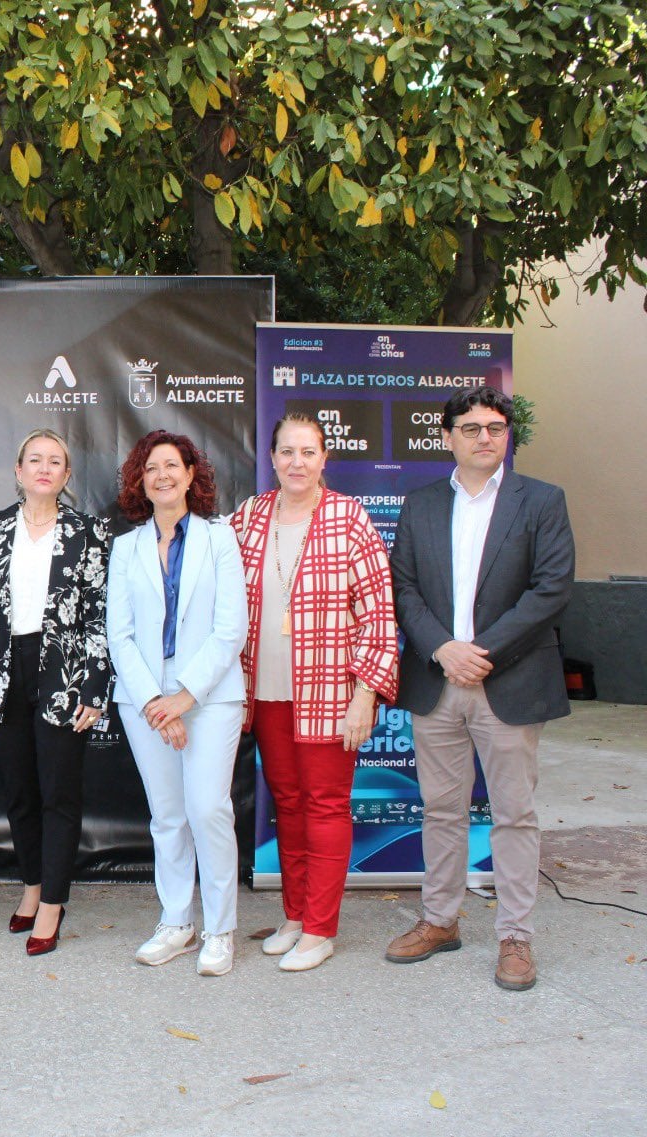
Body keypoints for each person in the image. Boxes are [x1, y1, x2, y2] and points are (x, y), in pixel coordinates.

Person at [386, 386, 573, 991]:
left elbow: (550, 590)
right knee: (441, 809)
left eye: (496, 427)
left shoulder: (541, 501)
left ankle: (515, 936)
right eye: (471, 428)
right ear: (448, 438)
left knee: (514, 814)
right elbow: (404, 589)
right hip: (437, 680)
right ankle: (440, 919)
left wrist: (480, 654)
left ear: (507, 436)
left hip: (508, 680)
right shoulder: (418, 506)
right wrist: (443, 649)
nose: (485, 437)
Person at [230, 412, 398, 972]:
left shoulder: (350, 518)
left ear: (325, 459)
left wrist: (366, 693)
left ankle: (322, 929)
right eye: (286, 452)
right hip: (268, 689)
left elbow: (378, 612)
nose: (296, 462)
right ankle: (296, 917)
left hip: (330, 689)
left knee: (325, 805)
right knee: (290, 805)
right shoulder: (251, 516)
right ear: (272, 458)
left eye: (308, 452)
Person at [0, 428, 110, 957]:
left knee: (58, 794)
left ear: (67, 476)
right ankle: (31, 886)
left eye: (56, 461)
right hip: (3, 671)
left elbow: (99, 615)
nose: (45, 468)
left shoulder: (91, 533)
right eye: (35, 460)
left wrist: (94, 687)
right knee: (19, 792)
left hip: (63, 676)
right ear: (19, 471)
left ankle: (53, 902)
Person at [108, 431, 248, 977]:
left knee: (208, 808)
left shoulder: (221, 539)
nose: (162, 475)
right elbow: (119, 635)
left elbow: (229, 628)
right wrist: (154, 702)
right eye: (151, 469)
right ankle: (176, 922)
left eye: (172, 465)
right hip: (144, 697)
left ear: (192, 475)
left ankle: (220, 929)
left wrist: (184, 697)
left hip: (209, 694)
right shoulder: (127, 547)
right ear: (140, 482)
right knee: (167, 816)